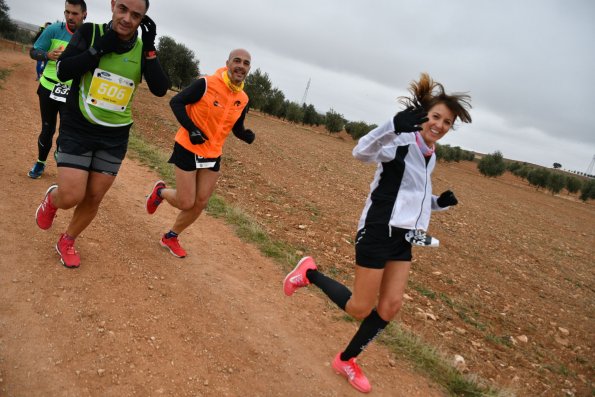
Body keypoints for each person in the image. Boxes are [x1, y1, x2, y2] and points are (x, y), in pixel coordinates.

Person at [283, 73, 472, 393]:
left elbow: (414, 195)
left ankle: (346, 360)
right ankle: (309, 272)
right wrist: (393, 126)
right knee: (360, 307)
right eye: (436, 116)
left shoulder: (431, 153)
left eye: (447, 121)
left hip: (404, 238)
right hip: (377, 230)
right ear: (424, 115)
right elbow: (360, 152)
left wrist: (440, 203)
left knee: (390, 306)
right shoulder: (400, 140)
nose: (439, 125)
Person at [34, 0, 169, 268]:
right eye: (123, 9)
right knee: (72, 195)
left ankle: (68, 240)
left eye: (136, 15)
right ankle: (53, 199)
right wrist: (98, 49)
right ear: (112, 5)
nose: (127, 19)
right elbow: (62, 71)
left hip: (115, 136)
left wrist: (151, 49)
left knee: (94, 196)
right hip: (79, 126)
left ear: (143, 19)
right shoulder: (90, 33)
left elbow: (160, 89)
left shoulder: (142, 48)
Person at [144, 49, 255, 258]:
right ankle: (160, 192)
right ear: (228, 63)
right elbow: (175, 102)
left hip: (213, 153)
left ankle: (171, 236)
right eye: (237, 61)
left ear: (249, 69)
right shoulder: (206, 84)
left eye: (246, 63)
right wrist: (191, 128)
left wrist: (244, 135)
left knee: (201, 202)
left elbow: (236, 127)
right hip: (188, 147)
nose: (241, 66)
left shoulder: (243, 98)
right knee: (186, 201)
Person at [28, 2, 87, 179]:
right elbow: (33, 51)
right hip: (48, 86)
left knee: (67, 132)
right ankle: (40, 163)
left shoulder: (87, 36)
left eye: (75, 13)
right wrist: (47, 55)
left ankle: (61, 153)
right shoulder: (53, 30)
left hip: (71, 91)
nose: (70, 17)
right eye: (67, 12)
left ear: (84, 14)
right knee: (47, 128)